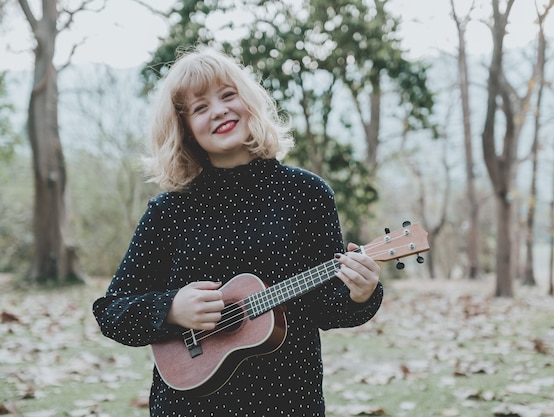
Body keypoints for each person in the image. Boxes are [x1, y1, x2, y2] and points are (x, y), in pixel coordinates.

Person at [92, 46, 383, 417]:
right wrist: (171, 309)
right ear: (185, 130)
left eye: (228, 95)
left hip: (287, 400)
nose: (218, 110)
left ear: (249, 101)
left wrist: (362, 293)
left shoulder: (306, 195)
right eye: (200, 108)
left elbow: (325, 312)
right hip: (188, 407)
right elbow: (111, 311)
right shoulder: (169, 211)